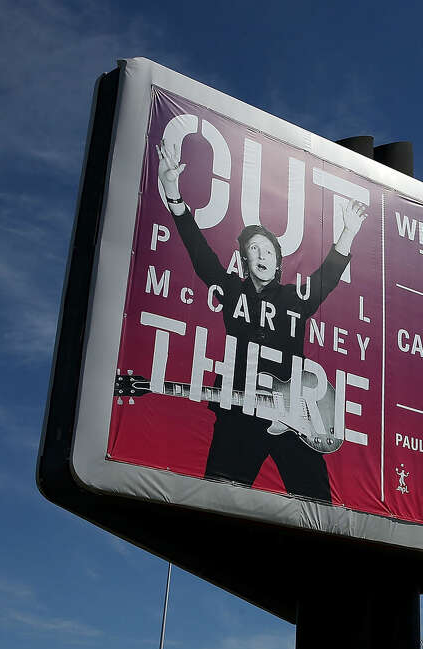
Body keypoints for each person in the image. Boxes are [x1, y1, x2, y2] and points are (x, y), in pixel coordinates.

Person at [156, 139, 367, 502]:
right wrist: (174, 195)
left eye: (268, 250)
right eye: (254, 250)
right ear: (245, 260)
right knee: (216, 504)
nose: (262, 254)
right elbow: (202, 257)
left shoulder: (292, 298)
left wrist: (347, 233)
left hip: (294, 417)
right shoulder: (234, 291)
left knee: (318, 511)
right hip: (240, 407)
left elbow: (326, 280)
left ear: (277, 261)